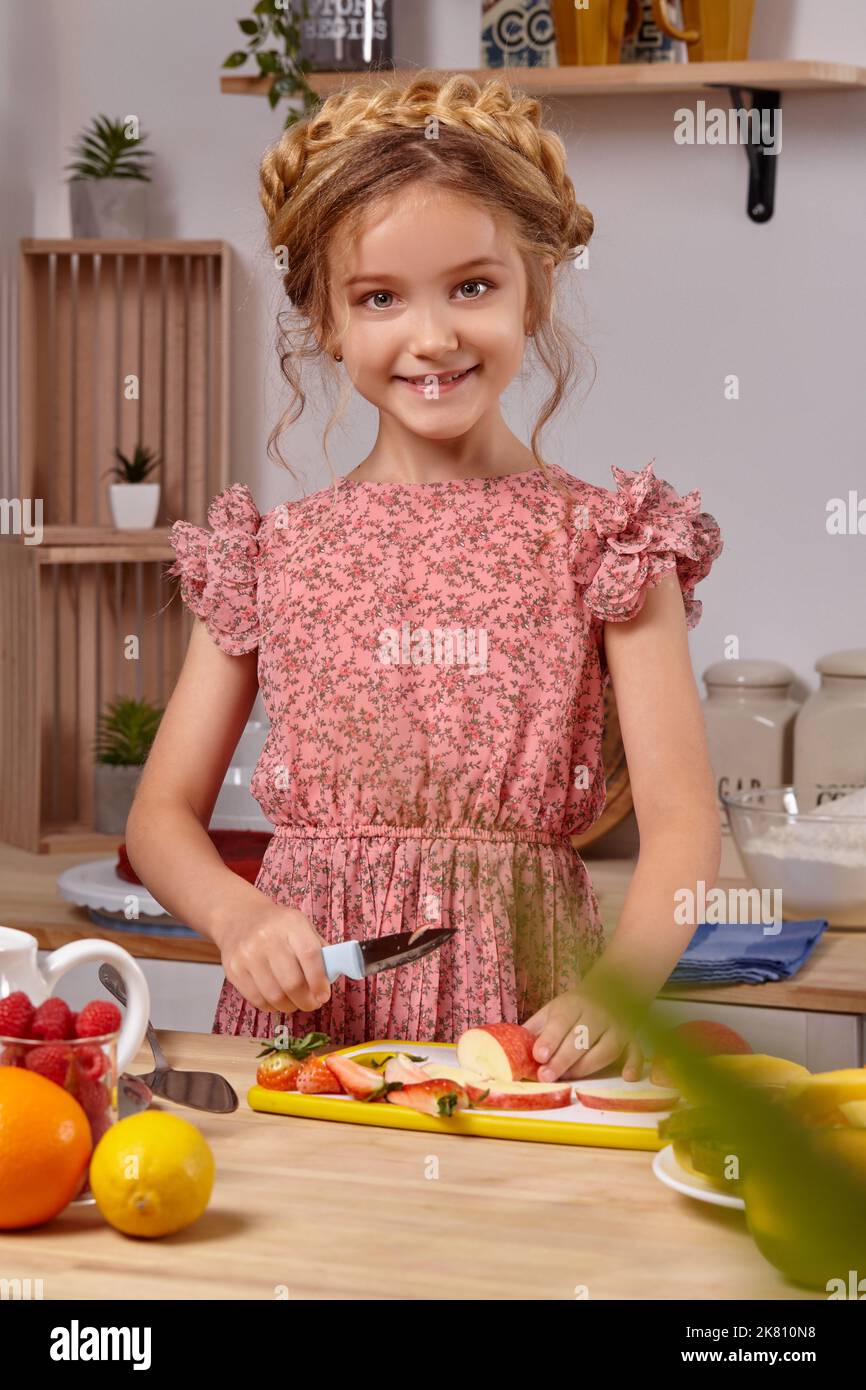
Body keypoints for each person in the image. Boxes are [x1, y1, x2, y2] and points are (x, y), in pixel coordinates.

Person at [126, 71, 723, 1085]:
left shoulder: (609, 540)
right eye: (379, 298)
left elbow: (681, 819)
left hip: (532, 1013)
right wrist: (237, 915)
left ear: (532, 287)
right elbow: (161, 815)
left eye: (472, 286)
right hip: (317, 1018)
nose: (432, 335)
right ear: (326, 320)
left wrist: (620, 982)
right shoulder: (273, 555)